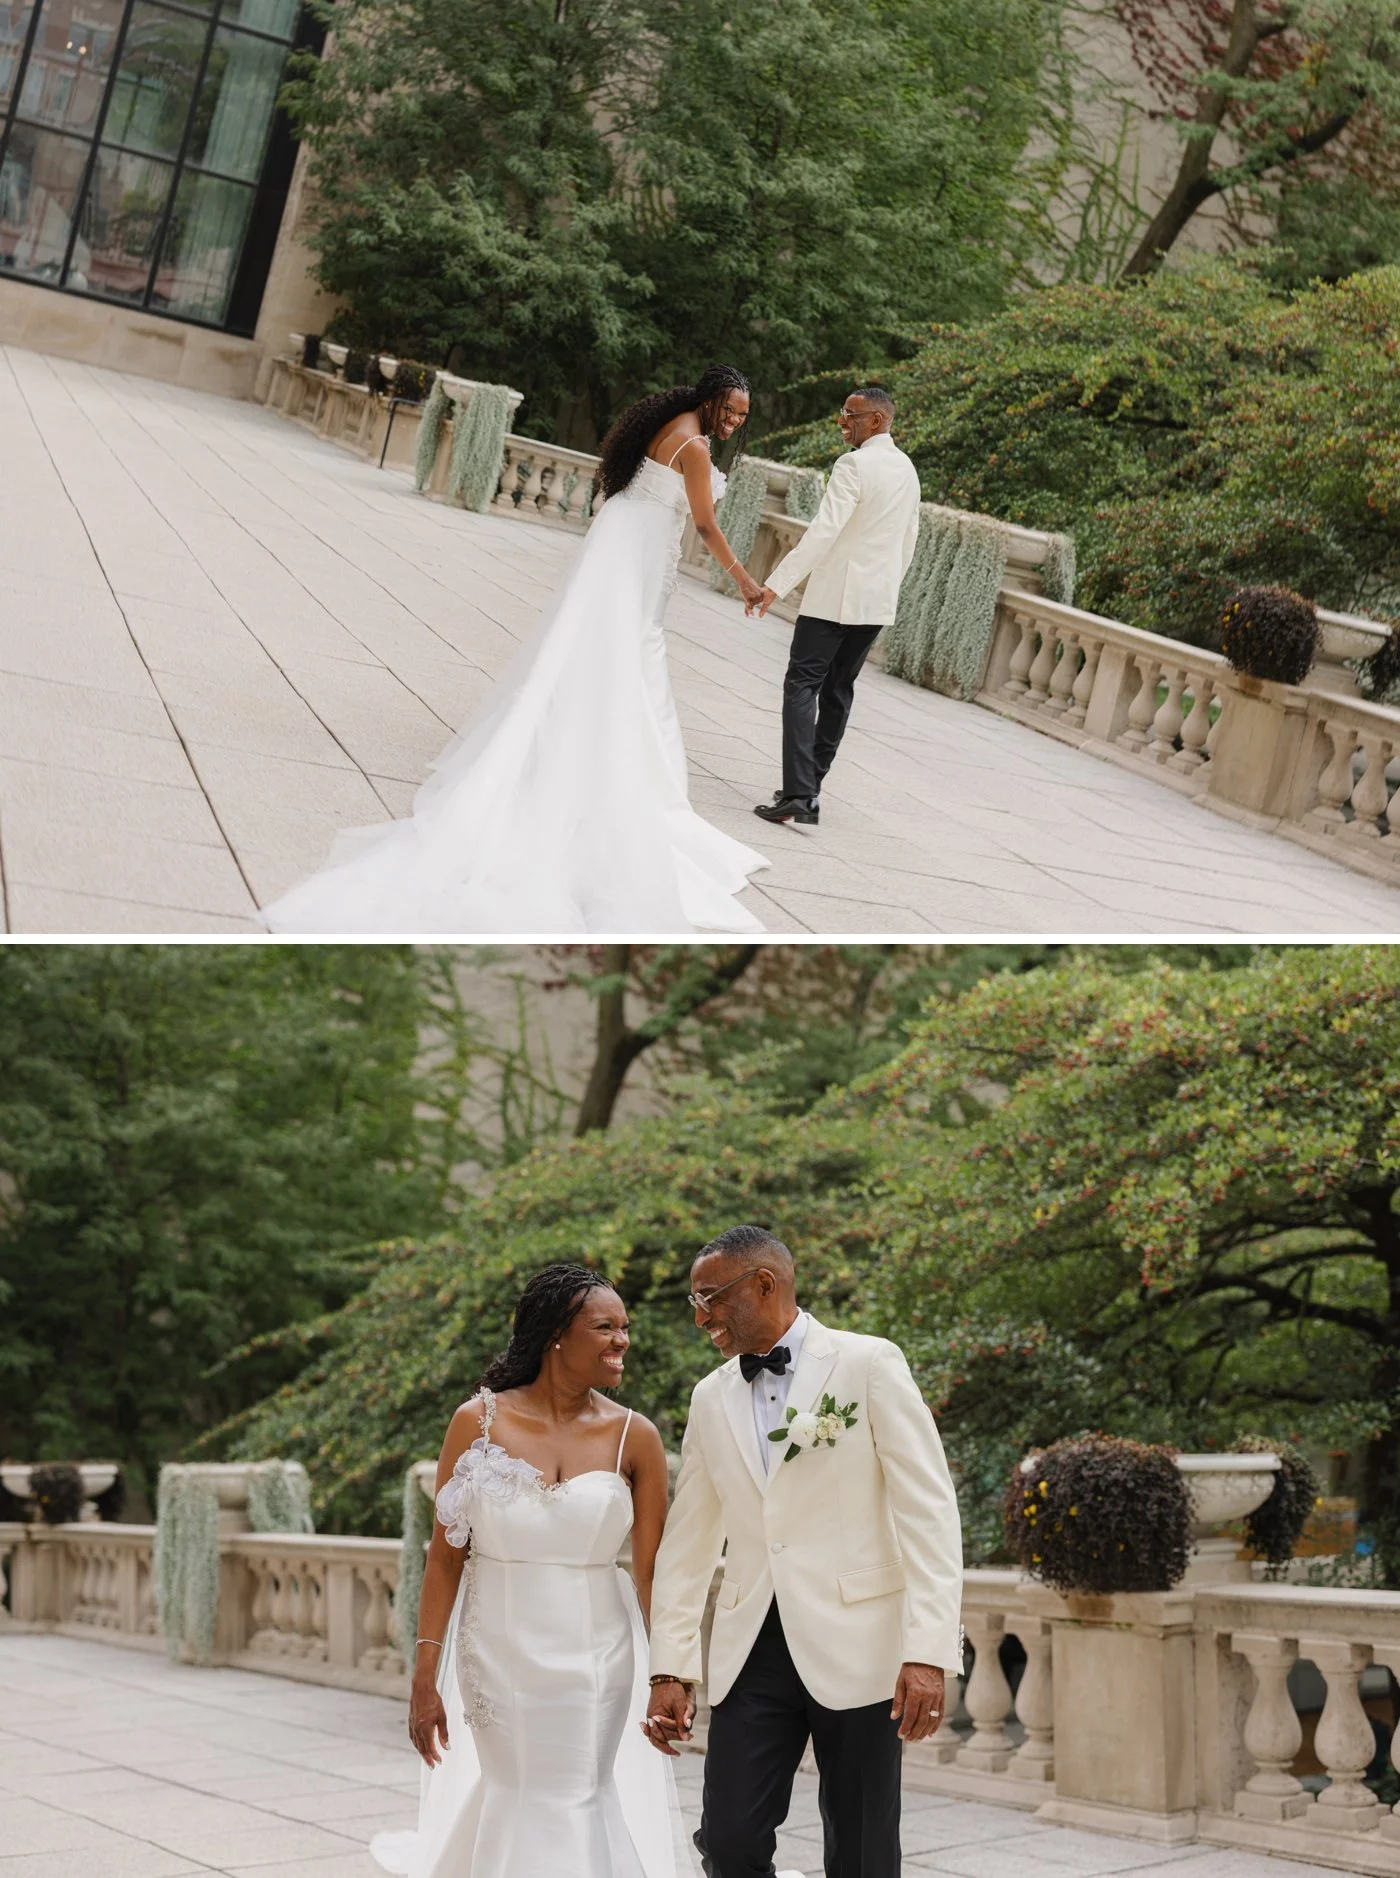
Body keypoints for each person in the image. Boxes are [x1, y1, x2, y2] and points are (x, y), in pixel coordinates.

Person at [262, 366, 771, 934]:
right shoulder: (695, 447)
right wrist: (746, 582)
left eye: (741, 416)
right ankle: (626, 779)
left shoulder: (668, 421)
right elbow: (704, 524)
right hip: (639, 555)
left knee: (600, 650)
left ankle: (590, 744)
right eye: (728, 410)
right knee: (631, 655)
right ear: (708, 401)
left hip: (625, 540)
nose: (733, 421)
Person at [644, 1224, 963, 1878]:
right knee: (729, 1842)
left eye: (711, 1297)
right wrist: (670, 1666)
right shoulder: (710, 1397)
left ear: (765, 1283)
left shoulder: (868, 1363)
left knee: (865, 1849)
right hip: (750, 1648)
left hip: (862, 1642)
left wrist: (928, 1650)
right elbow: (688, 1540)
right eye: (693, 1301)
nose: (701, 1316)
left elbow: (928, 1512)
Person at [369, 1264, 694, 1878]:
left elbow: (654, 1574)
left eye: (626, 1327)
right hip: (497, 1648)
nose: (622, 1340)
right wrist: (424, 1677)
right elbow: (444, 1558)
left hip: (598, 1649)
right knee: (516, 1787)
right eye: (604, 1327)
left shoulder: (637, 1437)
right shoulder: (476, 1422)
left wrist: (671, 1673)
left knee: (578, 1789)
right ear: (555, 1336)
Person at [749, 388, 921, 827]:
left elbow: (823, 532)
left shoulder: (853, 465)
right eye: (842, 413)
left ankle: (799, 794)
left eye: (851, 415)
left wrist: (776, 586)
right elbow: (909, 542)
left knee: (802, 686)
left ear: (878, 421)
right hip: (875, 604)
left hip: (834, 600)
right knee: (838, 692)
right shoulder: (907, 469)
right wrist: (885, 591)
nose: (842, 422)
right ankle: (810, 787)